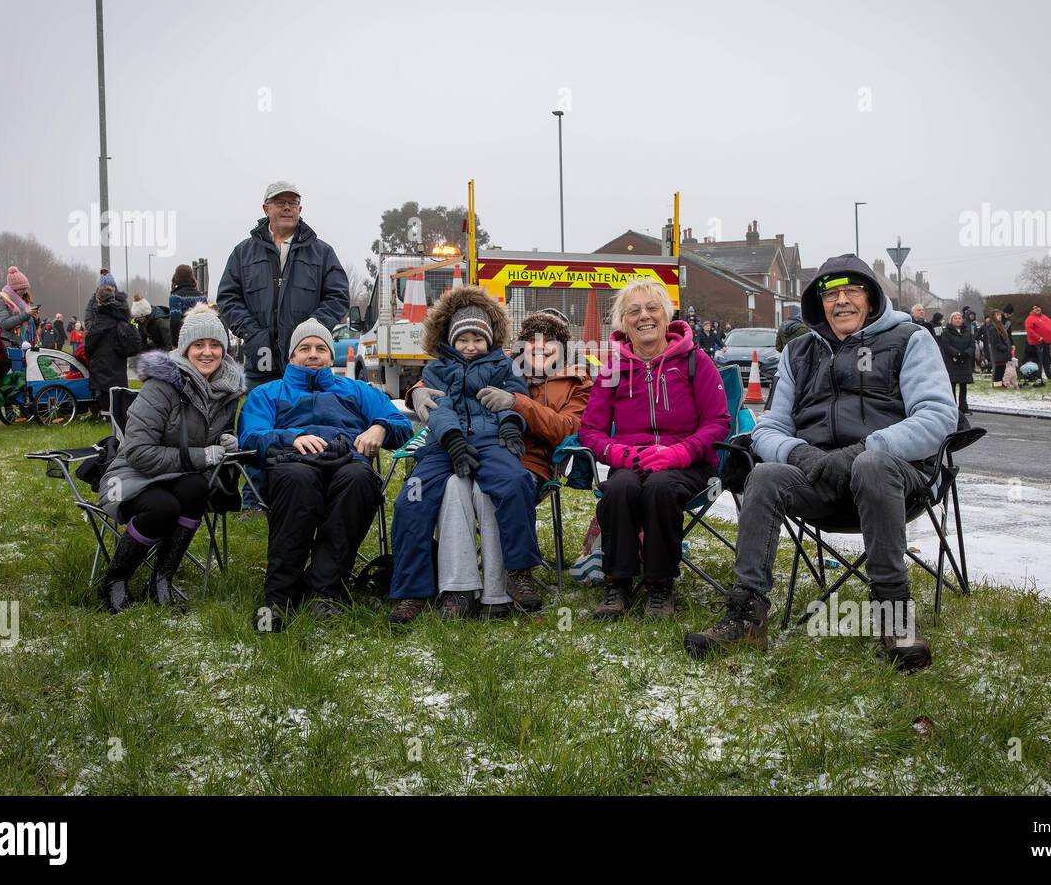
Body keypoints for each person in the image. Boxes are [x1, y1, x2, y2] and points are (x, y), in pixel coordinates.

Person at [685, 255, 956, 671]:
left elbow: (937, 416)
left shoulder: (910, 339)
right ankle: (746, 612)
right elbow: (769, 426)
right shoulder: (799, 351)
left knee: (872, 465)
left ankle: (894, 616)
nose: (842, 301)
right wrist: (798, 453)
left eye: (852, 291)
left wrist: (864, 448)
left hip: (894, 482)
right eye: (831, 293)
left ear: (871, 296)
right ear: (819, 302)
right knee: (765, 473)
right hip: (818, 479)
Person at [409, 307, 592, 617]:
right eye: (532, 340)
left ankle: (499, 591)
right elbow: (455, 375)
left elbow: (569, 428)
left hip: (529, 462)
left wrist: (518, 403)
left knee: (488, 492)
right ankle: (458, 588)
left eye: (550, 340)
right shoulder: (502, 365)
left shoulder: (576, 381)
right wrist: (416, 391)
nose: (540, 346)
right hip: (473, 450)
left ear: (563, 348)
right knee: (453, 486)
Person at [239, 319, 411, 628]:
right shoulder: (268, 393)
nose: (313, 354)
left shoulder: (357, 390)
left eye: (321, 348)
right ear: (291, 357)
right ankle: (279, 599)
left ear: (331, 357)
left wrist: (380, 426)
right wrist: (290, 437)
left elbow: (402, 424)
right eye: (304, 348)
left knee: (358, 481)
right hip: (291, 466)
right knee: (299, 481)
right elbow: (251, 437)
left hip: (347, 464)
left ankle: (324, 592)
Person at [388, 287, 541, 624]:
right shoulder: (436, 370)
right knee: (411, 499)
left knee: (516, 483)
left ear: (489, 339)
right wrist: (453, 440)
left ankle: (518, 572)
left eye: (478, 338)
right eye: (463, 339)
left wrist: (511, 425)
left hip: (491, 440)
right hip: (445, 444)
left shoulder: (506, 366)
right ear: (451, 340)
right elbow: (437, 408)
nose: (471, 346)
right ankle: (411, 590)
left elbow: (513, 398)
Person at [579, 279, 729, 620]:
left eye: (652, 308)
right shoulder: (612, 370)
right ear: (622, 321)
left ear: (666, 314)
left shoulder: (695, 361)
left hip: (687, 463)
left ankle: (659, 585)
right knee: (619, 487)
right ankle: (617, 582)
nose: (644, 316)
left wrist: (677, 454)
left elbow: (718, 423)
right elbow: (591, 431)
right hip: (632, 461)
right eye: (633, 311)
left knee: (661, 488)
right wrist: (621, 456)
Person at [96, 306, 244, 613]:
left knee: (197, 490)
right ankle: (116, 580)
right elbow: (137, 452)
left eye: (214, 345)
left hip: (176, 475)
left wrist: (223, 440)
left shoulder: (226, 391)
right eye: (198, 345)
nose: (207, 353)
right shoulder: (161, 385)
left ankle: (161, 580)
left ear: (224, 349)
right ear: (184, 348)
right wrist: (201, 455)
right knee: (165, 507)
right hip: (130, 476)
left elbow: (201, 435)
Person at [217, 181, 350, 391]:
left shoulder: (323, 253)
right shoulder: (242, 253)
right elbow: (228, 297)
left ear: (300, 209)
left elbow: (338, 296)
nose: (287, 207)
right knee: (261, 417)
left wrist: (310, 331)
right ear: (266, 208)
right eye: (280, 202)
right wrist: (253, 334)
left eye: (292, 202)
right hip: (261, 361)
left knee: (307, 418)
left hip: (307, 363)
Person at [83, 275, 142, 417]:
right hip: (118, 362)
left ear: (99, 300)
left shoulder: (100, 321)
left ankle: (106, 415)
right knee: (118, 390)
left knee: (105, 392)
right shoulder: (122, 315)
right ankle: (119, 414)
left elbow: (89, 345)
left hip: (101, 362)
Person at [0, 265, 41, 347]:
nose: (25, 292)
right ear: (14, 289)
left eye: (26, 289)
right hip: (10, 346)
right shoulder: (0, 302)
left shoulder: (22, 302)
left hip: (24, 345)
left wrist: (35, 319)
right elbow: (5, 324)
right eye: (23, 289)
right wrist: (26, 314)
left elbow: (27, 326)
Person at [937, 311, 974, 414]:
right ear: (951, 320)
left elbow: (972, 345)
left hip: (965, 361)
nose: (958, 320)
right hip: (952, 362)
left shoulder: (967, 331)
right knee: (952, 386)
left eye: (959, 318)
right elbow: (946, 345)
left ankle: (963, 407)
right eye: (955, 318)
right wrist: (957, 354)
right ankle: (953, 407)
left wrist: (965, 354)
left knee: (963, 386)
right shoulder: (946, 332)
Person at [168, 263, 208, 348]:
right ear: (192, 278)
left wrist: (175, 343)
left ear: (176, 279)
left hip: (184, 341)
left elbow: (175, 321)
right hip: (201, 340)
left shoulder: (175, 297)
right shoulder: (202, 297)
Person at [1024, 304, 1051, 381]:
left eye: (1038, 307)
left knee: (1047, 360)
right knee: (1039, 361)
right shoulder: (1030, 319)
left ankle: (1049, 375)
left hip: (1046, 342)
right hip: (1037, 343)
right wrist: (1038, 337)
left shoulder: (1045, 317)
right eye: (1035, 308)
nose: (1037, 309)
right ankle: (1038, 376)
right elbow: (1030, 330)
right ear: (1032, 310)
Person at [983, 309, 1014, 387]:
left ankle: (1000, 385)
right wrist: (1006, 349)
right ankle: (997, 386)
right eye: (997, 315)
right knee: (998, 370)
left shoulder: (1000, 325)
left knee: (1002, 369)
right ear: (993, 316)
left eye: (1000, 314)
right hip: (998, 352)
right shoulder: (992, 328)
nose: (999, 316)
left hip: (1003, 353)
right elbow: (996, 343)